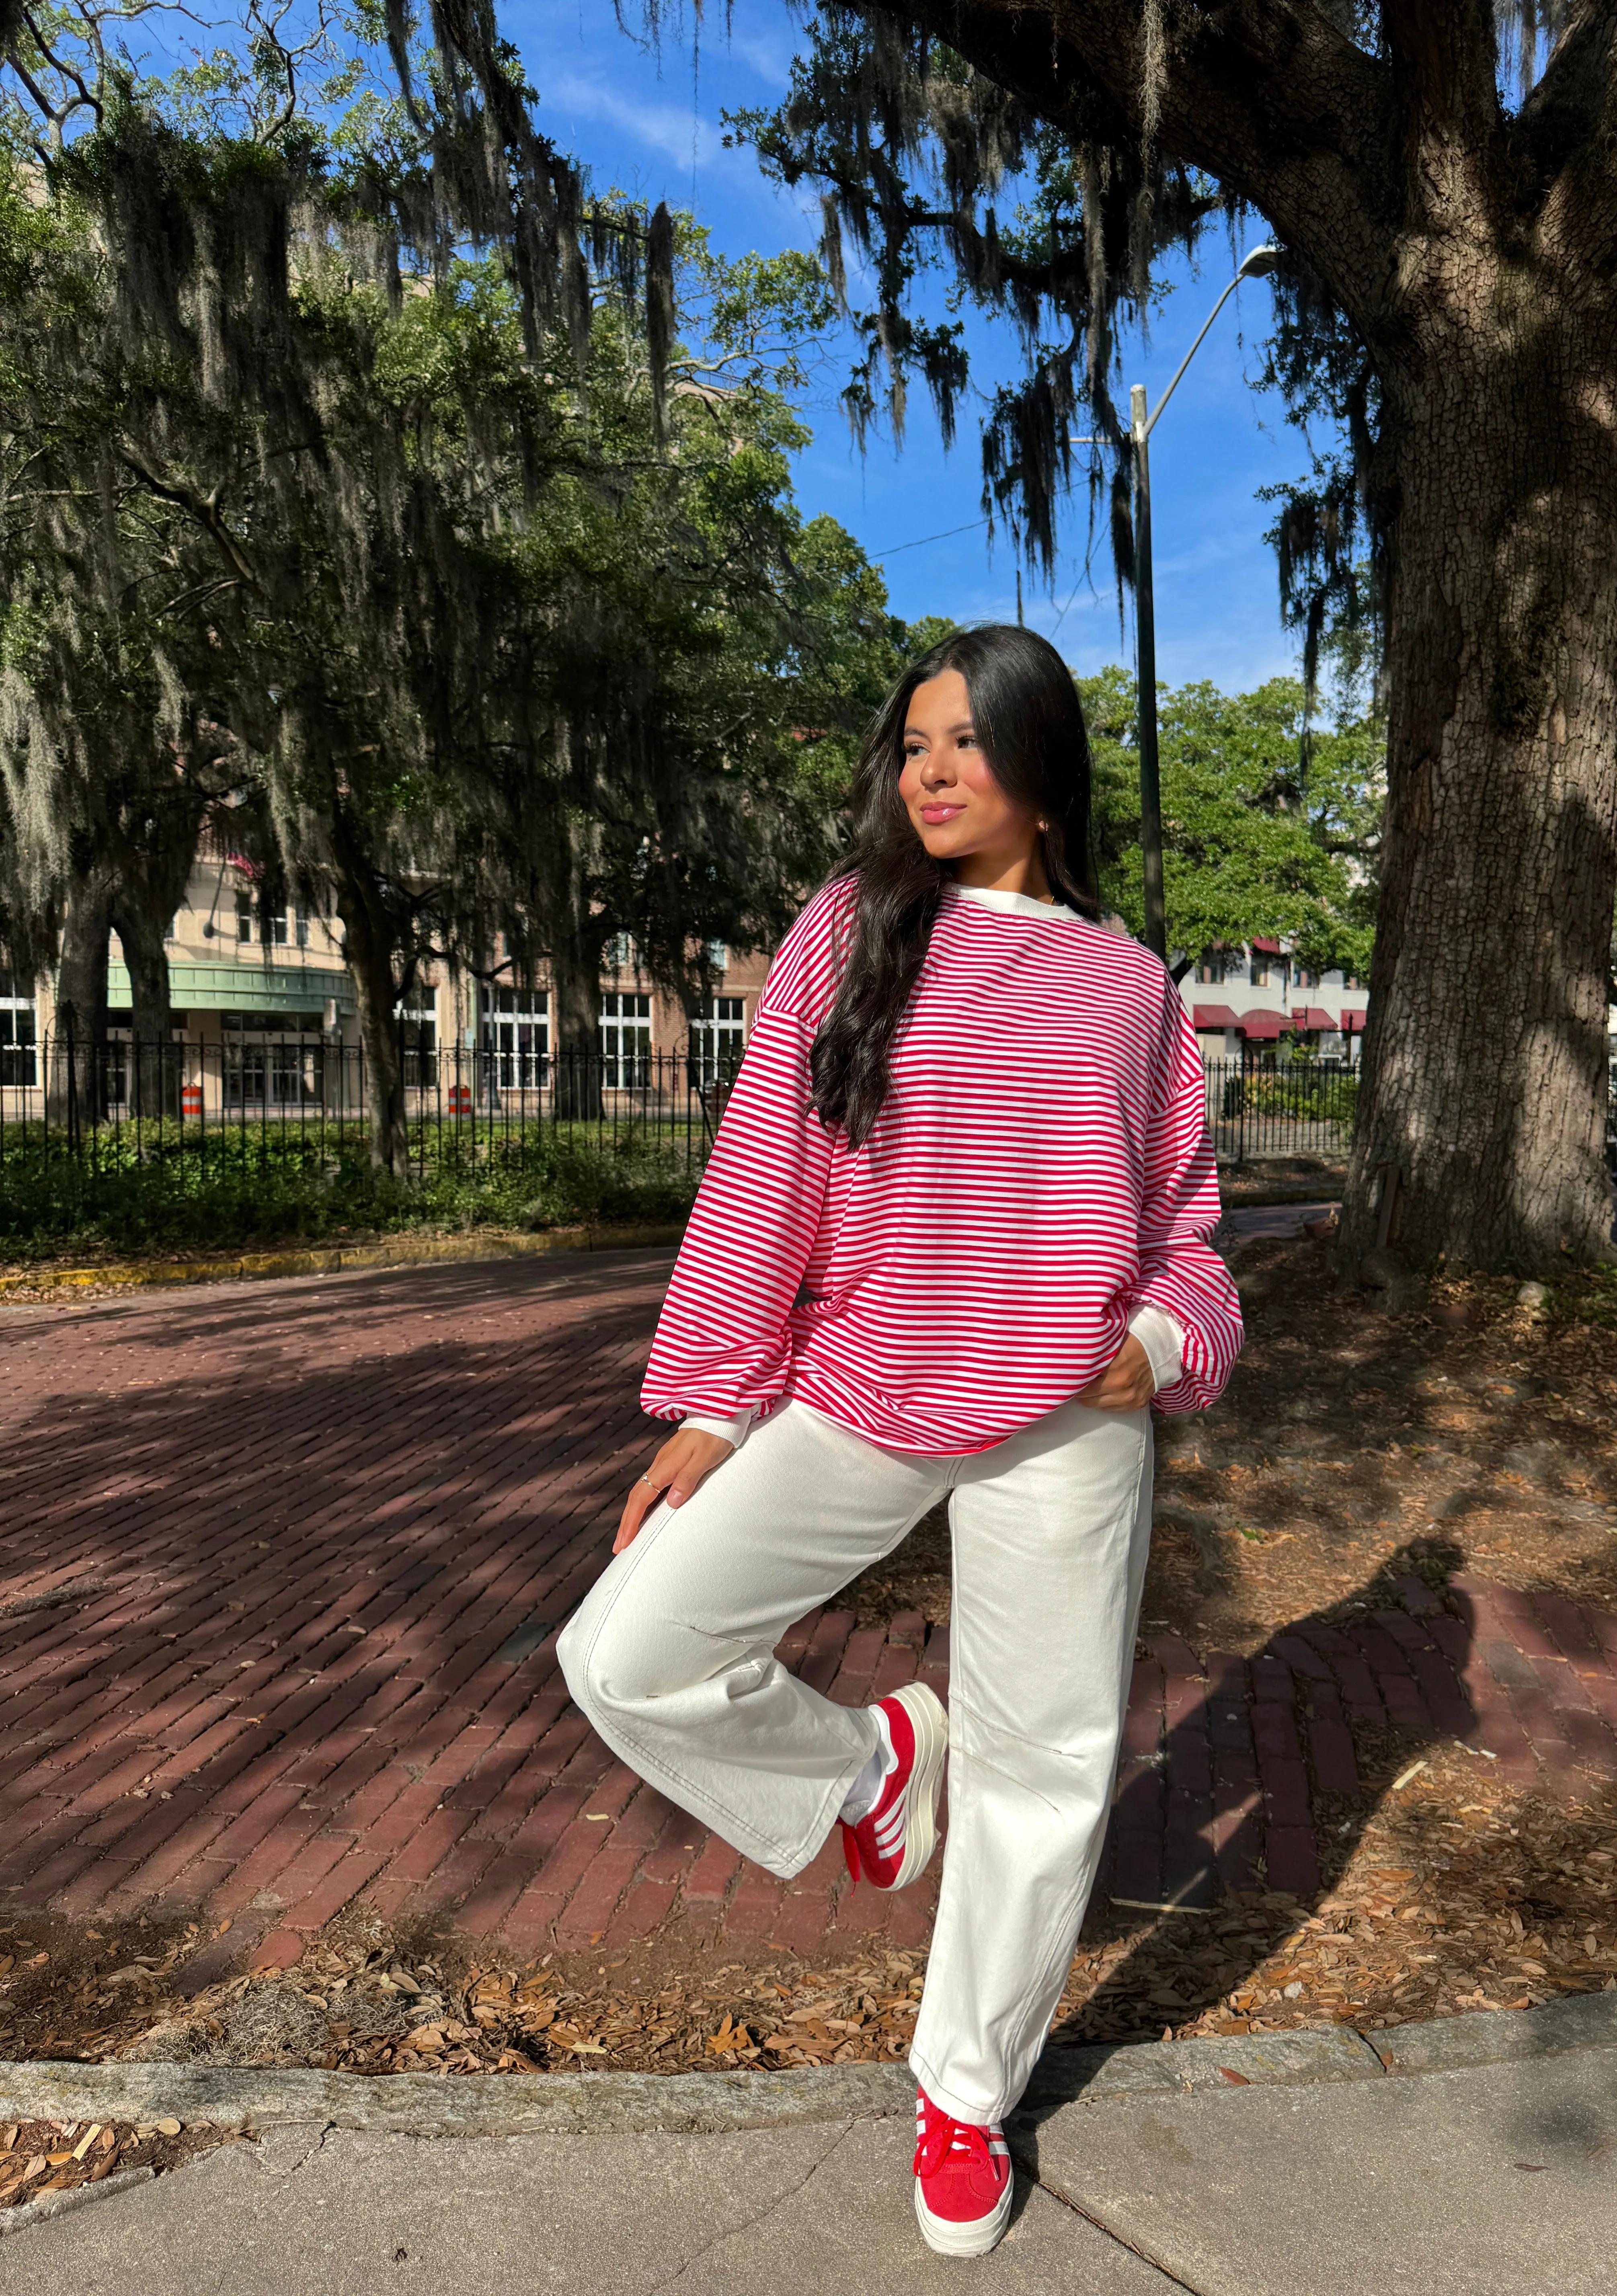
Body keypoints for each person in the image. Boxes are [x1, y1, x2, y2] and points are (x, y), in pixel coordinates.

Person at [558, 623, 1241, 2257]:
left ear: (1043, 773)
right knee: (628, 1648)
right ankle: (873, 1768)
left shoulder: (1130, 985)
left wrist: (1151, 1346)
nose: (931, 771)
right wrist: (712, 1404)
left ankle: (965, 2092)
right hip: (861, 1388)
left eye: (968, 741)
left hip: (1066, 1423)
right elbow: (761, 1175)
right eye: (913, 744)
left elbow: (1189, 1235)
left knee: (1047, 1766)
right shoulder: (851, 930)